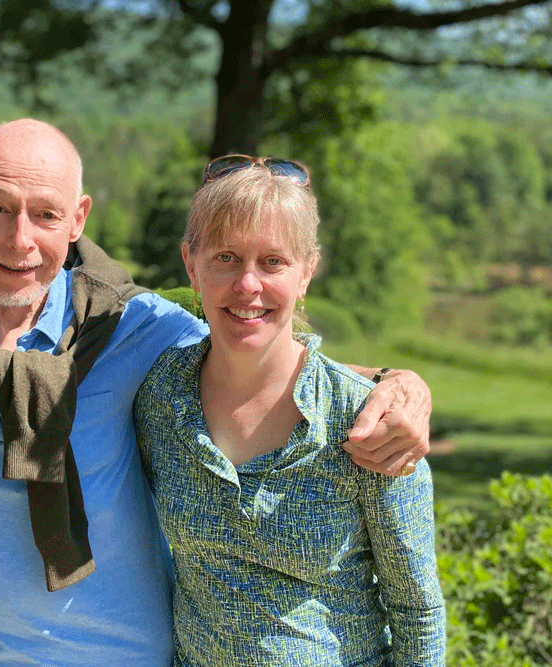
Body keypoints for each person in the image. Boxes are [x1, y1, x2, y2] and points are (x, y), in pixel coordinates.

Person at [0, 119, 436, 667]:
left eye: (46, 215)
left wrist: (396, 386)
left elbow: (262, 349)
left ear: (78, 219)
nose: (21, 239)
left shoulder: (134, 330)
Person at [134, 157, 445, 666]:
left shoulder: (367, 418)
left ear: (306, 271)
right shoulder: (159, 396)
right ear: (192, 265)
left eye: (272, 262)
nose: (248, 285)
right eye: (227, 258)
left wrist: (402, 381)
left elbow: (417, 613)